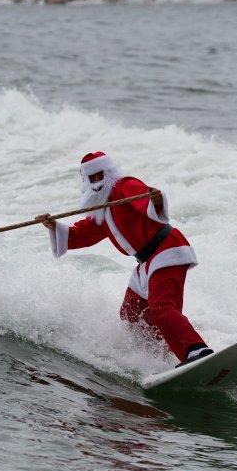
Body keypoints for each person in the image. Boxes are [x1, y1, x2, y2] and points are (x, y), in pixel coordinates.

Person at [35, 152, 213, 368]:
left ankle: (196, 349)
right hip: (146, 263)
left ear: (108, 172)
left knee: (161, 307)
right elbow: (82, 235)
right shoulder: (101, 211)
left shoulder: (124, 186)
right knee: (132, 313)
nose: (96, 181)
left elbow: (143, 196)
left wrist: (153, 199)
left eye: (99, 175)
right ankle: (164, 355)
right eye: (91, 178)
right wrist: (53, 225)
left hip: (166, 250)